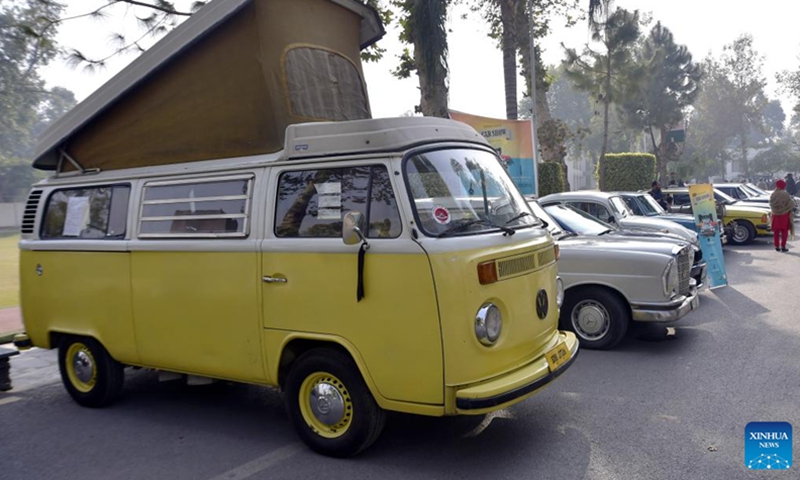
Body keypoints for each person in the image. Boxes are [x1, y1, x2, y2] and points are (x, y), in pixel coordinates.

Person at [770, 179, 794, 252]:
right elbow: (790, 204)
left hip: (775, 215)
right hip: (784, 215)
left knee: (776, 232)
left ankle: (777, 246)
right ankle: (783, 246)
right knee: (784, 231)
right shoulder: (785, 194)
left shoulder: (773, 194)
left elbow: (771, 204)